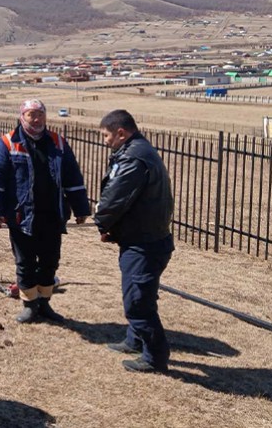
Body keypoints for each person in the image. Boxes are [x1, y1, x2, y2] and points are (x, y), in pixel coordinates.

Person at [0, 99, 90, 324]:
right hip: (22, 217)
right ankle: (29, 305)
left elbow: (73, 177)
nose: (36, 119)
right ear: (22, 116)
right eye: (31, 114)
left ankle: (44, 303)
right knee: (25, 263)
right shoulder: (7, 143)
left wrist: (81, 208)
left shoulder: (58, 142)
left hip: (52, 215)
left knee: (50, 262)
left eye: (40, 114)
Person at [94, 109, 175, 373]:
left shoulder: (133, 158)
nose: (105, 140)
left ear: (120, 133)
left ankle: (155, 357)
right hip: (141, 238)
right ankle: (135, 340)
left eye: (106, 135)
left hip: (145, 243)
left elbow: (115, 198)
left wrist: (102, 222)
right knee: (136, 291)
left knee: (138, 302)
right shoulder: (139, 150)